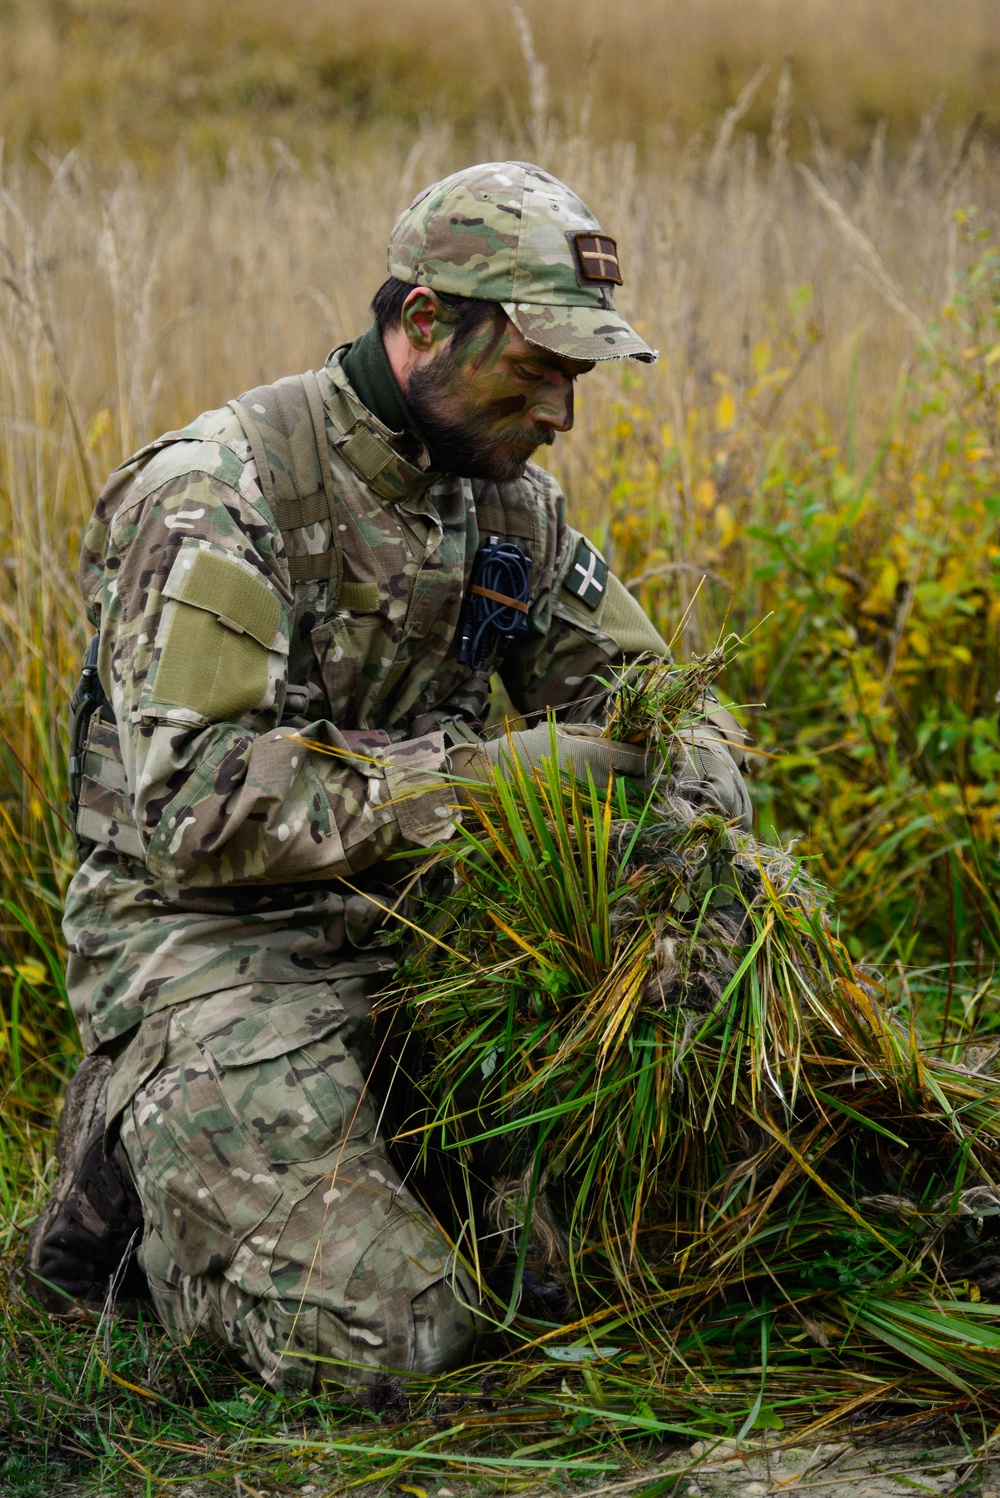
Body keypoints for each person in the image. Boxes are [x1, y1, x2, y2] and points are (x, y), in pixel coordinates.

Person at [27, 161, 751, 1389]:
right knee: (398, 1338)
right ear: (423, 324)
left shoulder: (511, 507)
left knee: (617, 1261)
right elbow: (198, 810)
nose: (561, 415)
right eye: (536, 373)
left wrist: (688, 781)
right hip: (213, 949)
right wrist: (483, 782)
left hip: (428, 938)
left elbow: (661, 699)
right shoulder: (219, 493)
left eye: (574, 380)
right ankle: (127, 1166)